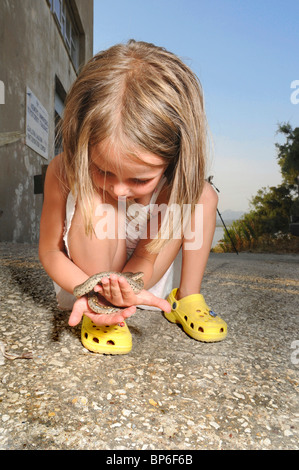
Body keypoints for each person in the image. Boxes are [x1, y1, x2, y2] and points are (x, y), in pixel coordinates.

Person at [39, 39, 227, 354]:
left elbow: (147, 259)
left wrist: (128, 285)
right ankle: (102, 310)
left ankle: (187, 295)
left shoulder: (174, 183)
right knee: (98, 200)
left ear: (174, 158)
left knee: (202, 193)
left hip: (143, 276)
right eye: (103, 169)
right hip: (84, 277)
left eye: (139, 179)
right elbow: (49, 251)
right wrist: (92, 292)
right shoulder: (64, 170)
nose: (119, 189)